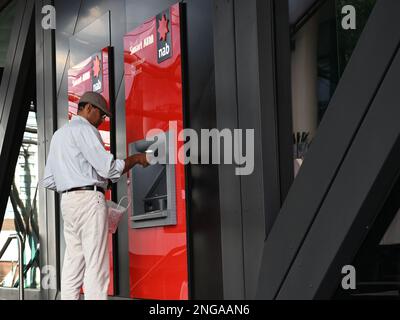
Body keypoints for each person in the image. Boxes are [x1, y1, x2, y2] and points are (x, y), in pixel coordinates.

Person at [41, 91, 148, 300]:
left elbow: (48, 181)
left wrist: (73, 180)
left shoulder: (58, 135)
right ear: (89, 108)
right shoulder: (85, 129)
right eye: (102, 115)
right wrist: (135, 158)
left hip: (68, 203)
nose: (102, 120)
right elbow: (108, 168)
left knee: (73, 264)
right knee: (96, 265)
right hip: (89, 201)